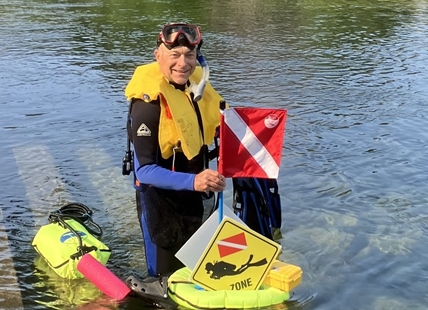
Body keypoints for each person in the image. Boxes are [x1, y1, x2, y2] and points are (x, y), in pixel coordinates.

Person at [124, 23, 226, 277]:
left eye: (189, 55)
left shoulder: (197, 91)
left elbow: (219, 128)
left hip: (197, 194)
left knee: (199, 272)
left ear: (198, 58)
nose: (183, 63)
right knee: (165, 281)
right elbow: (144, 170)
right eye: (174, 55)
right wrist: (195, 181)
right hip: (160, 201)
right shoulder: (147, 106)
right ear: (158, 55)